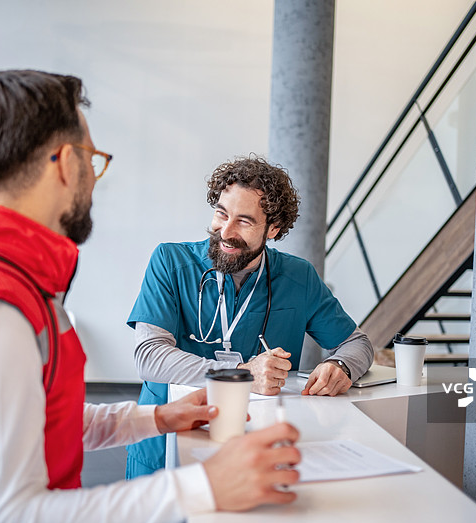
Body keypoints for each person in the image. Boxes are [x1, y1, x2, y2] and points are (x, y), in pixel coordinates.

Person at [0, 70, 300, 523]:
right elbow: (10, 519)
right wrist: (204, 486)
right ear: (67, 163)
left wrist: (151, 417)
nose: (93, 179)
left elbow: (31, 423)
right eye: (93, 159)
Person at [126, 155, 374, 478]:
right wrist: (241, 373)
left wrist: (341, 366)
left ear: (273, 228)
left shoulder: (299, 278)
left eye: (243, 221)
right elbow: (149, 356)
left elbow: (358, 344)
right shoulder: (170, 262)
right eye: (221, 213)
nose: (225, 231)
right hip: (164, 445)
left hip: (253, 448)